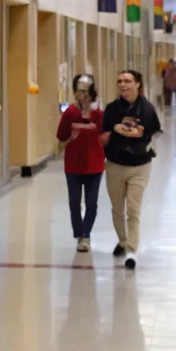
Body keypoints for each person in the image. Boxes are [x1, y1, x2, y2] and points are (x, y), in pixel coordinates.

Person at [102, 69, 162, 270]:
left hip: (140, 166)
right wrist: (113, 131)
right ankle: (122, 240)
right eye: (119, 81)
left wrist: (134, 132)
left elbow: (153, 133)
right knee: (117, 209)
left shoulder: (147, 109)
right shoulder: (111, 109)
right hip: (115, 165)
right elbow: (104, 133)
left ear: (138, 84)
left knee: (134, 210)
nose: (123, 85)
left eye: (127, 81)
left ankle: (132, 251)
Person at [56, 75, 105, 252]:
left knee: (91, 203)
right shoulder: (70, 113)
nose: (81, 95)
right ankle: (78, 233)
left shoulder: (99, 114)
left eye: (85, 91)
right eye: (78, 91)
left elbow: (105, 136)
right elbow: (60, 136)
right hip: (73, 165)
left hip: (94, 164)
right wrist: (71, 137)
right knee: (74, 203)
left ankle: (86, 234)